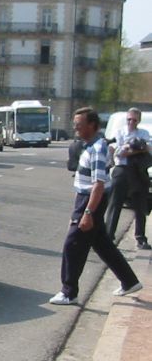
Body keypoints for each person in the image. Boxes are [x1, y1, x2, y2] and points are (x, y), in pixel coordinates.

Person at [49, 107, 143, 305]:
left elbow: (98, 185)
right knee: (102, 244)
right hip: (85, 200)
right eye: (75, 124)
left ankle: (69, 292)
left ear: (91, 125)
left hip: (90, 201)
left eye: (79, 124)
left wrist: (88, 213)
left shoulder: (98, 149)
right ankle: (129, 281)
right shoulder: (90, 146)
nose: (75, 128)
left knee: (72, 246)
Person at [104, 107, 151, 249]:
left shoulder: (144, 132)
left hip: (138, 171)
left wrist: (132, 148)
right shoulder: (120, 132)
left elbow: (148, 147)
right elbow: (118, 153)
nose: (131, 122)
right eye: (129, 119)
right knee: (115, 204)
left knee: (140, 206)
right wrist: (135, 148)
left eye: (134, 119)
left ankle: (141, 238)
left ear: (139, 120)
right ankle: (109, 236)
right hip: (122, 170)